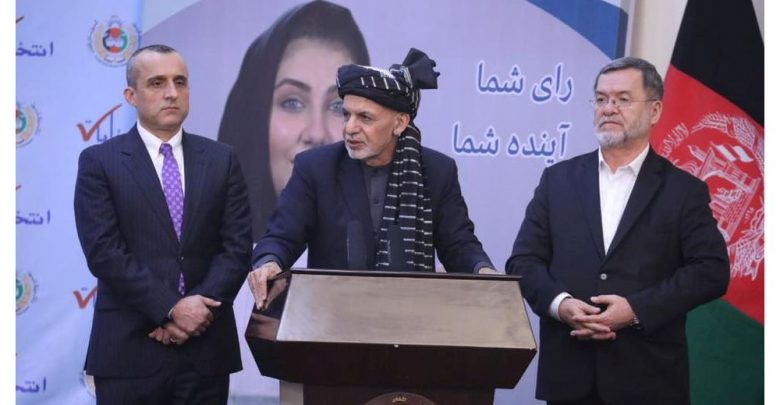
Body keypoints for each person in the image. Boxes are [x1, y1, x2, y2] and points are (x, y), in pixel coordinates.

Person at [505, 57, 730, 405]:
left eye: (623, 99)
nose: (608, 108)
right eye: (601, 99)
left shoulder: (683, 191)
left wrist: (635, 309)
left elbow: (711, 271)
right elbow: (523, 261)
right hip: (570, 376)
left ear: (655, 110)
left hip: (648, 380)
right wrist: (560, 305)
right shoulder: (558, 180)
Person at [248, 47, 496, 313]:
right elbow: (282, 236)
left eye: (365, 117)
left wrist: (483, 271)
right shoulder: (316, 167)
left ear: (399, 123)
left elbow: (458, 244)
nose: (350, 128)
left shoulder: (436, 171)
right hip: (331, 317)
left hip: (411, 315)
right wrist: (270, 262)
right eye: (346, 114)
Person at [74, 44, 252, 404]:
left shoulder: (222, 159)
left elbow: (236, 247)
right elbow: (104, 252)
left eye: (179, 82)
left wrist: (197, 312)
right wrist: (171, 308)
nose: (172, 93)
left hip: (205, 351)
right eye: (157, 83)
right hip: (130, 349)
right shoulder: (100, 162)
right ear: (131, 96)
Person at [218, 0, 370, 240]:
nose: (316, 134)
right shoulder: (209, 251)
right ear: (255, 118)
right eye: (292, 103)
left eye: (338, 107)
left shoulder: (394, 243)